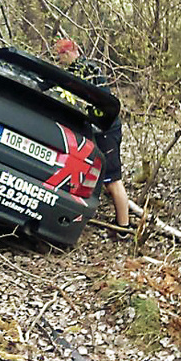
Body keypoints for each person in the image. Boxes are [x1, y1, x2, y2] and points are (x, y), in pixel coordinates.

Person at [53, 37, 131, 238]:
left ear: (68, 53)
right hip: (93, 131)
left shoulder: (90, 71)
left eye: (59, 57)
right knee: (101, 178)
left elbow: (103, 103)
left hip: (106, 130)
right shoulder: (75, 72)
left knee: (113, 180)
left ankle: (124, 227)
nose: (58, 61)